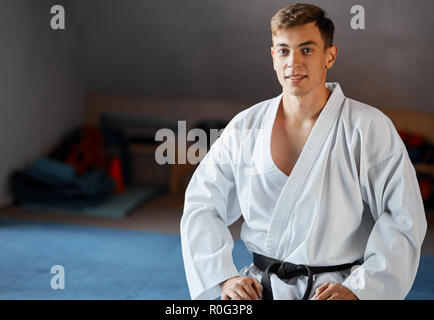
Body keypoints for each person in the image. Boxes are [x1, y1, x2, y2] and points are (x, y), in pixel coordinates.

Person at [180, 3, 427, 300]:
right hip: (260, 289)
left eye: (307, 50)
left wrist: (360, 290)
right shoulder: (246, 126)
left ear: (330, 55)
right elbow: (202, 203)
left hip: (336, 291)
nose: (293, 62)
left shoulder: (368, 127)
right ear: (273, 57)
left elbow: (403, 217)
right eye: (283, 50)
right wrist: (223, 277)